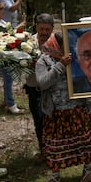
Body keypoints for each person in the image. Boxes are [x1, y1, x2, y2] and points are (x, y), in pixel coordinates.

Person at [35, 32, 91, 182]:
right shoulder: (43, 60)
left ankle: (88, 168)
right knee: (55, 147)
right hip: (57, 112)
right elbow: (43, 83)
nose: (67, 49)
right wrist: (61, 66)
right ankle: (55, 176)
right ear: (56, 45)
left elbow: (89, 79)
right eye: (64, 46)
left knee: (84, 141)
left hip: (79, 109)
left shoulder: (76, 58)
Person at [0, 0, 26, 114]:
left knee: (9, 79)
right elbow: (5, 33)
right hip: (2, 54)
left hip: (6, 53)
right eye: (0, 10)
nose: (3, 11)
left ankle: (8, 101)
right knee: (8, 79)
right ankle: (11, 104)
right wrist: (19, 26)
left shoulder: (0, 20)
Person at [24, 13, 54, 159]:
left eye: (47, 30)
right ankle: (44, 150)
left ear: (52, 29)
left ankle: (56, 150)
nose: (44, 33)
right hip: (34, 89)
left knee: (54, 120)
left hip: (53, 90)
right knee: (39, 120)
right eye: (41, 29)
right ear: (36, 27)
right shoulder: (26, 42)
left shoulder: (58, 42)